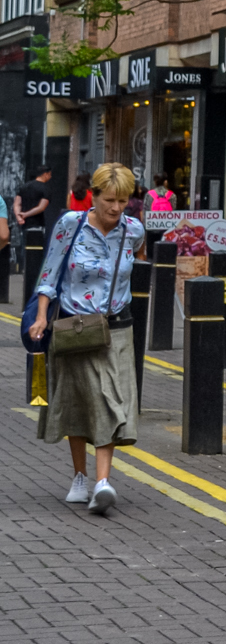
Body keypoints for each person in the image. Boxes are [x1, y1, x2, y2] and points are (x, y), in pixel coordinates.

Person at [26, 162, 144, 515]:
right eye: (109, 199)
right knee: (76, 400)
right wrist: (42, 316)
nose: (116, 208)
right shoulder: (70, 224)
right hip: (74, 328)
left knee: (110, 400)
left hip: (116, 329)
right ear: (92, 196)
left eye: (123, 200)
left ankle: (103, 482)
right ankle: (80, 477)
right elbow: (49, 274)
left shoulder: (134, 230)